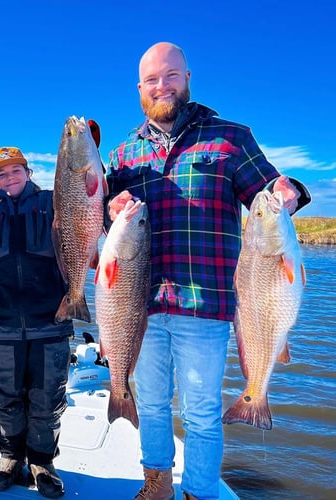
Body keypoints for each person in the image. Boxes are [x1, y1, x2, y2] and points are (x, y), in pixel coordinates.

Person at [106, 42, 311, 500]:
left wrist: (290, 189)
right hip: (140, 305)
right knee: (154, 404)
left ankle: (199, 492)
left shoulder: (230, 137)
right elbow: (105, 219)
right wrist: (109, 207)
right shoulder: (123, 154)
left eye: (171, 76)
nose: (163, 86)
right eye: (153, 80)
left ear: (187, 78)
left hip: (206, 301)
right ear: (140, 88)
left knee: (199, 411)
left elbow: (270, 196)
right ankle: (155, 485)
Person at [0, 147, 74, 499]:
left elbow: (87, 192)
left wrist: (89, 150)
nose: (10, 178)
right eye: (2, 174)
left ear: (29, 173)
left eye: (16, 171)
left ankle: (43, 462)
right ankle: (11, 456)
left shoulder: (52, 202)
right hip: (0, 324)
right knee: (4, 398)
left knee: (47, 399)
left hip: (52, 321)